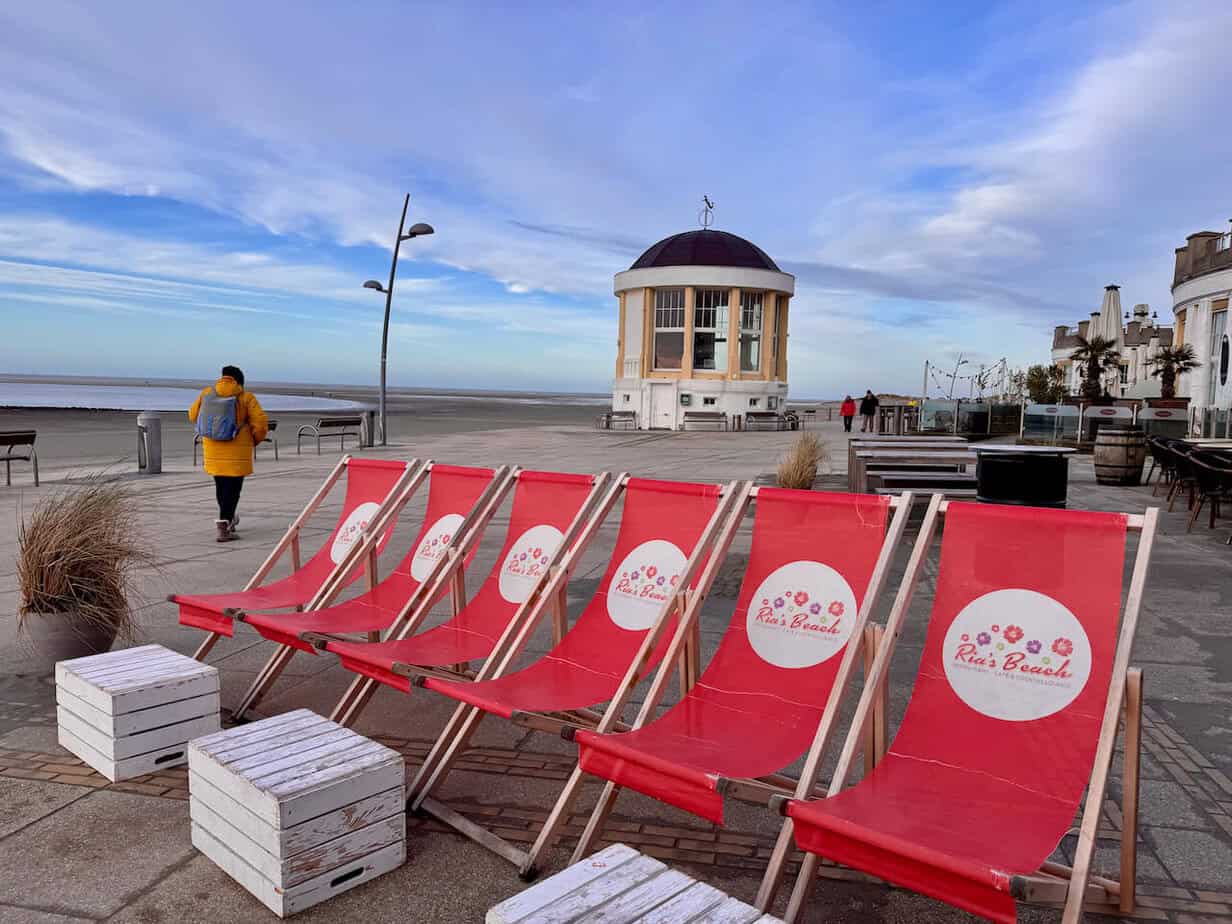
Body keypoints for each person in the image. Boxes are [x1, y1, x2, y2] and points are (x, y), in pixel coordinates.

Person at [189, 366, 268, 542]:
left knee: (221, 487)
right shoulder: (246, 397)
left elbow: (193, 415)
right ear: (239, 381)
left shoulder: (207, 393)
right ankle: (223, 527)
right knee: (233, 490)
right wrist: (255, 440)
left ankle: (228, 519)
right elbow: (261, 423)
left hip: (213, 449)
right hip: (237, 451)